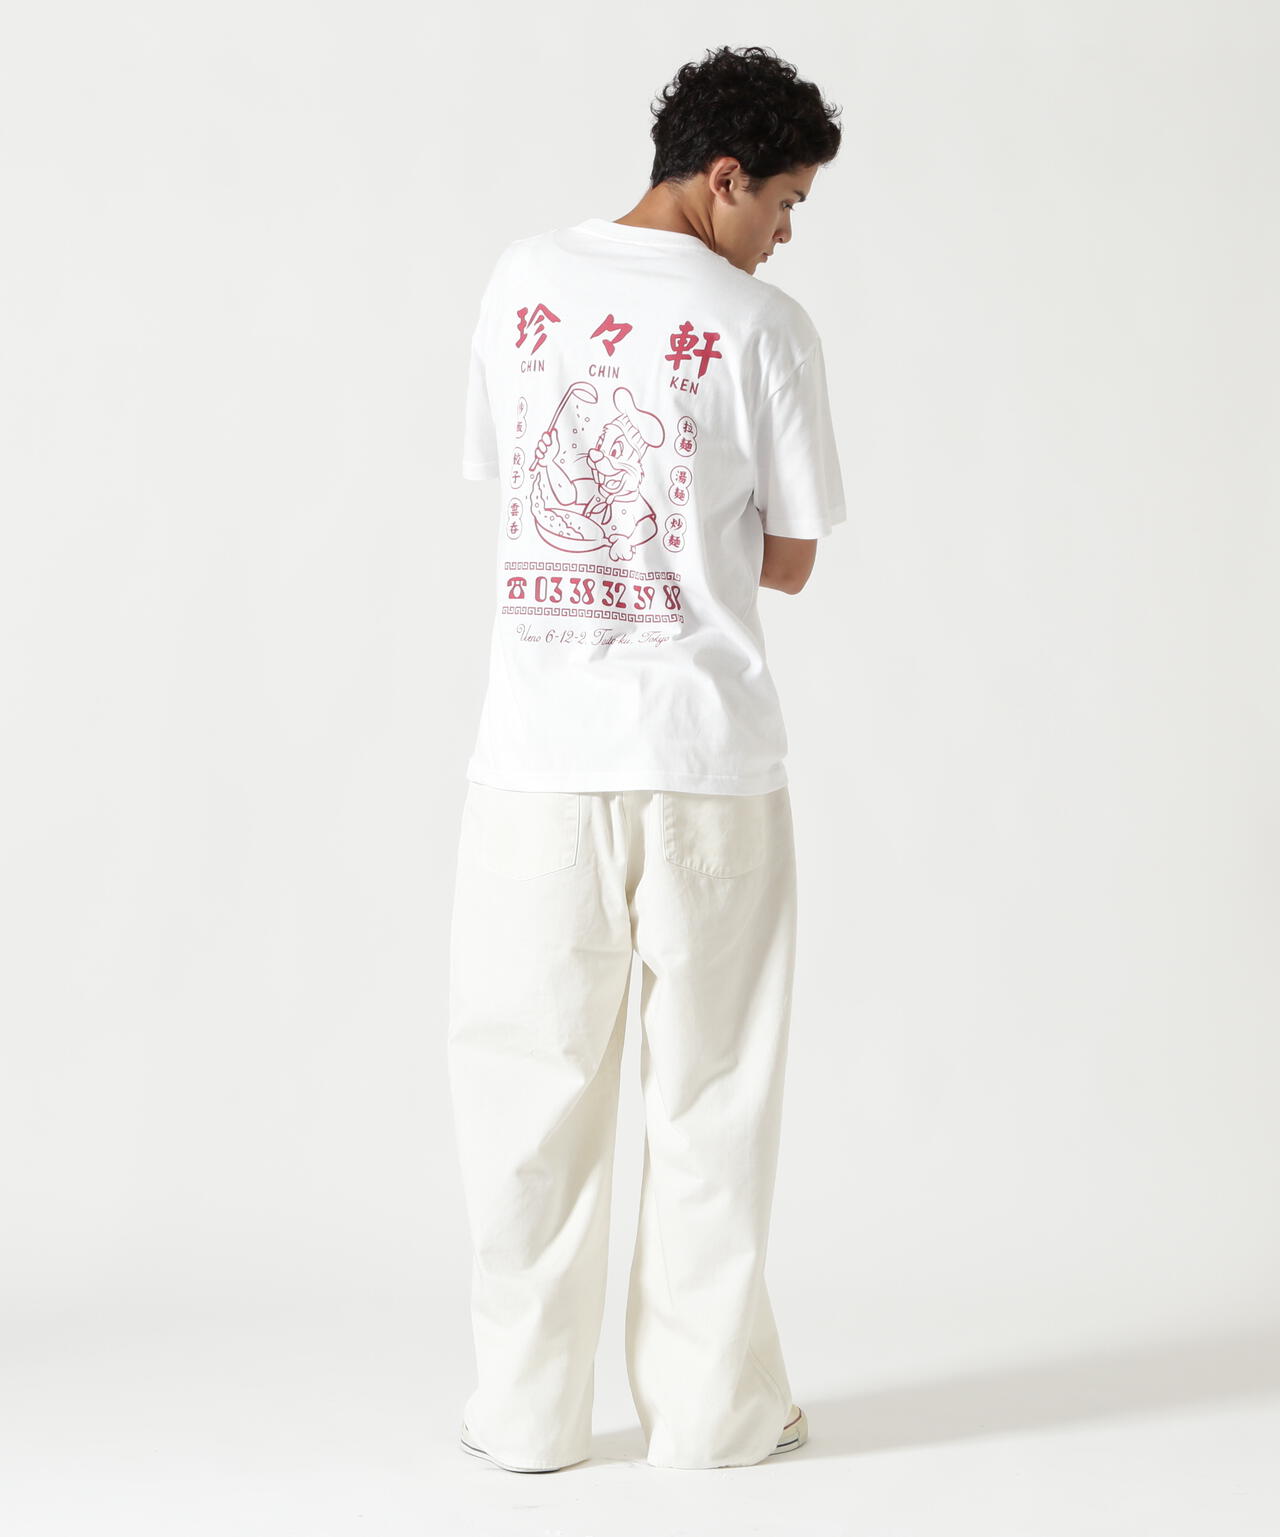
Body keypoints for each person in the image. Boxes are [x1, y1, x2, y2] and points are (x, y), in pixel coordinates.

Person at [447, 43, 845, 1472]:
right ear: (724, 178)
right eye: (784, 203)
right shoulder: (766, 327)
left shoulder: (521, 279)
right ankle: (715, 1418)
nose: (786, 234)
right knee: (711, 1098)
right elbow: (789, 560)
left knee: (527, 1095)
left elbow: (510, 486)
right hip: (705, 767)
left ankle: (525, 1417)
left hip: (537, 766)